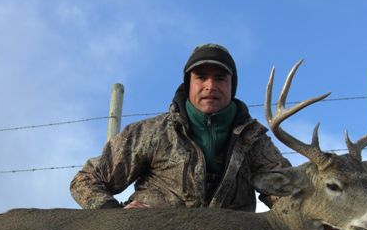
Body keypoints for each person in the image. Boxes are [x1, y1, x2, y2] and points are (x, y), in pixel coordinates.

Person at [70, 43, 293, 213]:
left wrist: (316, 223)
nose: (210, 86)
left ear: (231, 85)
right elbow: (85, 181)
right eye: (201, 77)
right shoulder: (153, 132)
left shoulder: (253, 139)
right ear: (188, 84)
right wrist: (114, 216)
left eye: (220, 78)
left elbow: (288, 194)